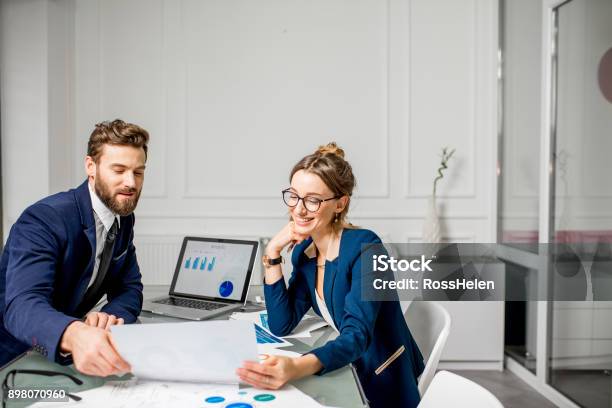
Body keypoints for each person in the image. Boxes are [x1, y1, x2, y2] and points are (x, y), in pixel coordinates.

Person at [237, 143, 425, 407]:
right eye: (294, 196)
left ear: (340, 204)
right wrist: (272, 252)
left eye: (313, 200)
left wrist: (296, 367)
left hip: (381, 380)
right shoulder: (304, 252)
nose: (299, 209)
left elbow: (356, 335)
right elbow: (282, 323)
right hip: (345, 369)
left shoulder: (368, 249)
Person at [0, 119, 148, 377]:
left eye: (138, 172)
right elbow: (22, 304)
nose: (131, 183)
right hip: (13, 357)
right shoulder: (44, 219)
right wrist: (76, 333)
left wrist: (109, 318)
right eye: (119, 170)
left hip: (65, 362)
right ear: (91, 166)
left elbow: (129, 287)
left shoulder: (123, 217)